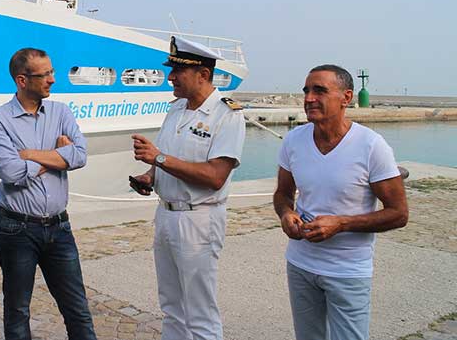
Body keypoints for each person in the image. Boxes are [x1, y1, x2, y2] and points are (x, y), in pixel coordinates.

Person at [273, 64, 408, 340]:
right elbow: (282, 193)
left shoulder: (371, 146)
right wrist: (286, 214)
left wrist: (342, 224)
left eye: (319, 91)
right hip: (301, 265)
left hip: (348, 271)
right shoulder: (293, 141)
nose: (309, 98)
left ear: (346, 98)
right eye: (307, 90)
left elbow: (398, 214)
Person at [130, 36, 245, 340]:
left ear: (203, 75)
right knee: (171, 306)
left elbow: (215, 176)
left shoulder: (227, 114)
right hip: (166, 214)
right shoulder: (177, 109)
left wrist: (159, 157)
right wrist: (150, 175)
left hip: (199, 220)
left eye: (177, 72)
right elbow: (166, 158)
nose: (170, 77)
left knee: (199, 310)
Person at [0, 48, 97, 340]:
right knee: (18, 309)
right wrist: (59, 155)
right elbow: (10, 173)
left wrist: (32, 156)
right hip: (16, 228)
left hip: (60, 227)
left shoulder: (61, 111)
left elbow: (81, 155)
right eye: (44, 74)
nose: (52, 80)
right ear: (22, 80)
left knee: (77, 307)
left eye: (52, 72)